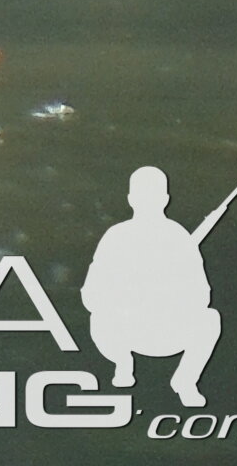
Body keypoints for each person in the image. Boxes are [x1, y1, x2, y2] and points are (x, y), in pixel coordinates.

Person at [83, 166, 224, 409]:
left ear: (165, 200)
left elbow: (202, 296)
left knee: (210, 320)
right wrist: (125, 298)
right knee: (98, 318)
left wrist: (169, 295)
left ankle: (185, 380)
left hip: (168, 331)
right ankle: (122, 363)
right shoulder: (116, 236)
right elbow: (91, 294)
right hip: (124, 331)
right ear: (131, 199)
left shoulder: (179, 238)